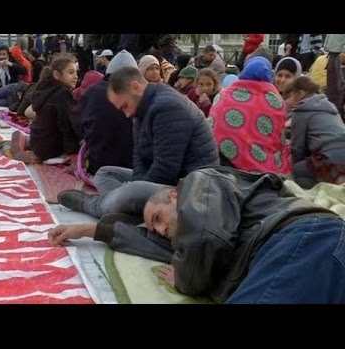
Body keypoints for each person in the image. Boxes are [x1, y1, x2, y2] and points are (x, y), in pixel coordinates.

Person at [49, 165, 345, 304]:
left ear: (175, 196)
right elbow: (159, 245)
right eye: (157, 230)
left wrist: (186, 282)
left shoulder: (200, 182)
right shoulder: (196, 244)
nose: (162, 231)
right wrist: (92, 230)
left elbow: (205, 238)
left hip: (305, 240)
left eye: (158, 218)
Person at [57, 66, 219, 219]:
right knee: (105, 173)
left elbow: (166, 167)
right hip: (172, 179)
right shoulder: (142, 107)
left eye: (125, 106)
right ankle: (123, 210)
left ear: (135, 87)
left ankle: (97, 206)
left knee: (132, 189)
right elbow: (139, 155)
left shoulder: (167, 107)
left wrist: (137, 188)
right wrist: (138, 185)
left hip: (191, 185)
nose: (126, 114)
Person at [285, 76, 345, 188]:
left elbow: (297, 149)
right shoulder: (329, 106)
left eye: (289, 97)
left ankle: (325, 186)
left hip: (328, 157)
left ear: (300, 94)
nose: (286, 101)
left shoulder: (301, 111)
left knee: (293, 172)